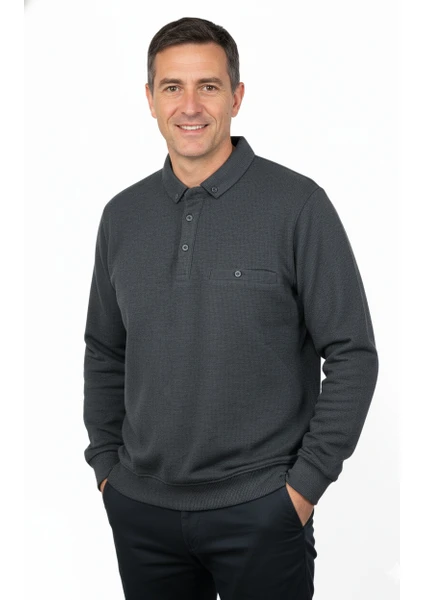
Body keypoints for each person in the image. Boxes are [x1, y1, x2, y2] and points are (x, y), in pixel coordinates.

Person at [83, 16, 379, 600]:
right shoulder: (122, 216)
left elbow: (352, 352)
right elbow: (105, 349)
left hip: (260, 509)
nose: (190, 106)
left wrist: (302, 488)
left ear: (237, 97)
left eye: (209, 86)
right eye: (172, 87)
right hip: (142, 511)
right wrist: (106, 469)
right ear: (150, 99)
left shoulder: (298, 205)